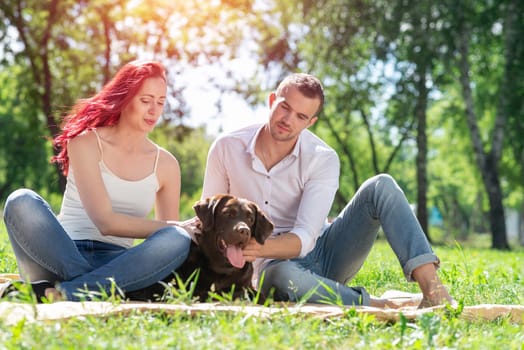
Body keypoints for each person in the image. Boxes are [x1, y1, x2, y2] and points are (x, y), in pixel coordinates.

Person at [201, 73, 454, 308]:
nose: (288, 120)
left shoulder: (322, 158)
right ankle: (376, 304)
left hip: (325, 254)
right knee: (281, 273)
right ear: (271, 101)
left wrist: (259, 247)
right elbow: (208, 224)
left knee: (381, 185)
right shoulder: (226, 148)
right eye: (285, 107)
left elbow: (305, 236)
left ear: (311, 122)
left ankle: (434, 292)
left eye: (301, 117)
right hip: (271, 269)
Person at [2, 60, 199, 302]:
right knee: (21, 200)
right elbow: (105, 222)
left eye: (160, 102)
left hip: (119, 263)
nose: (154, 110)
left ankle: (60, 292)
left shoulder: (166, 164)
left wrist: (179, 231)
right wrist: (179, 226)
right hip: (60, 253)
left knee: (177, 240)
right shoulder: (85, 142)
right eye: (145, 100)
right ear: (125, 99)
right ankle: (102, 289)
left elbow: (165, 238)